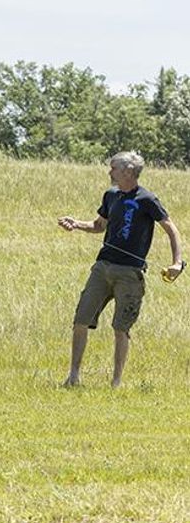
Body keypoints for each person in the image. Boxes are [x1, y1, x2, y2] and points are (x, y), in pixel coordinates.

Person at [58, 151, 183, 388]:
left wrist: (177, 263)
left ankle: (116, 382)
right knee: (81, 320)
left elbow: (171, 229)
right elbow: (98, 225)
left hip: (130, 274)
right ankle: (73, 376)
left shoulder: (147, 199)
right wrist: (76, 224)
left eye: (113, 168)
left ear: (127, 171)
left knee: (120, 327)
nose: (109, 172)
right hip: (102, 267)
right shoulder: (111, 195)